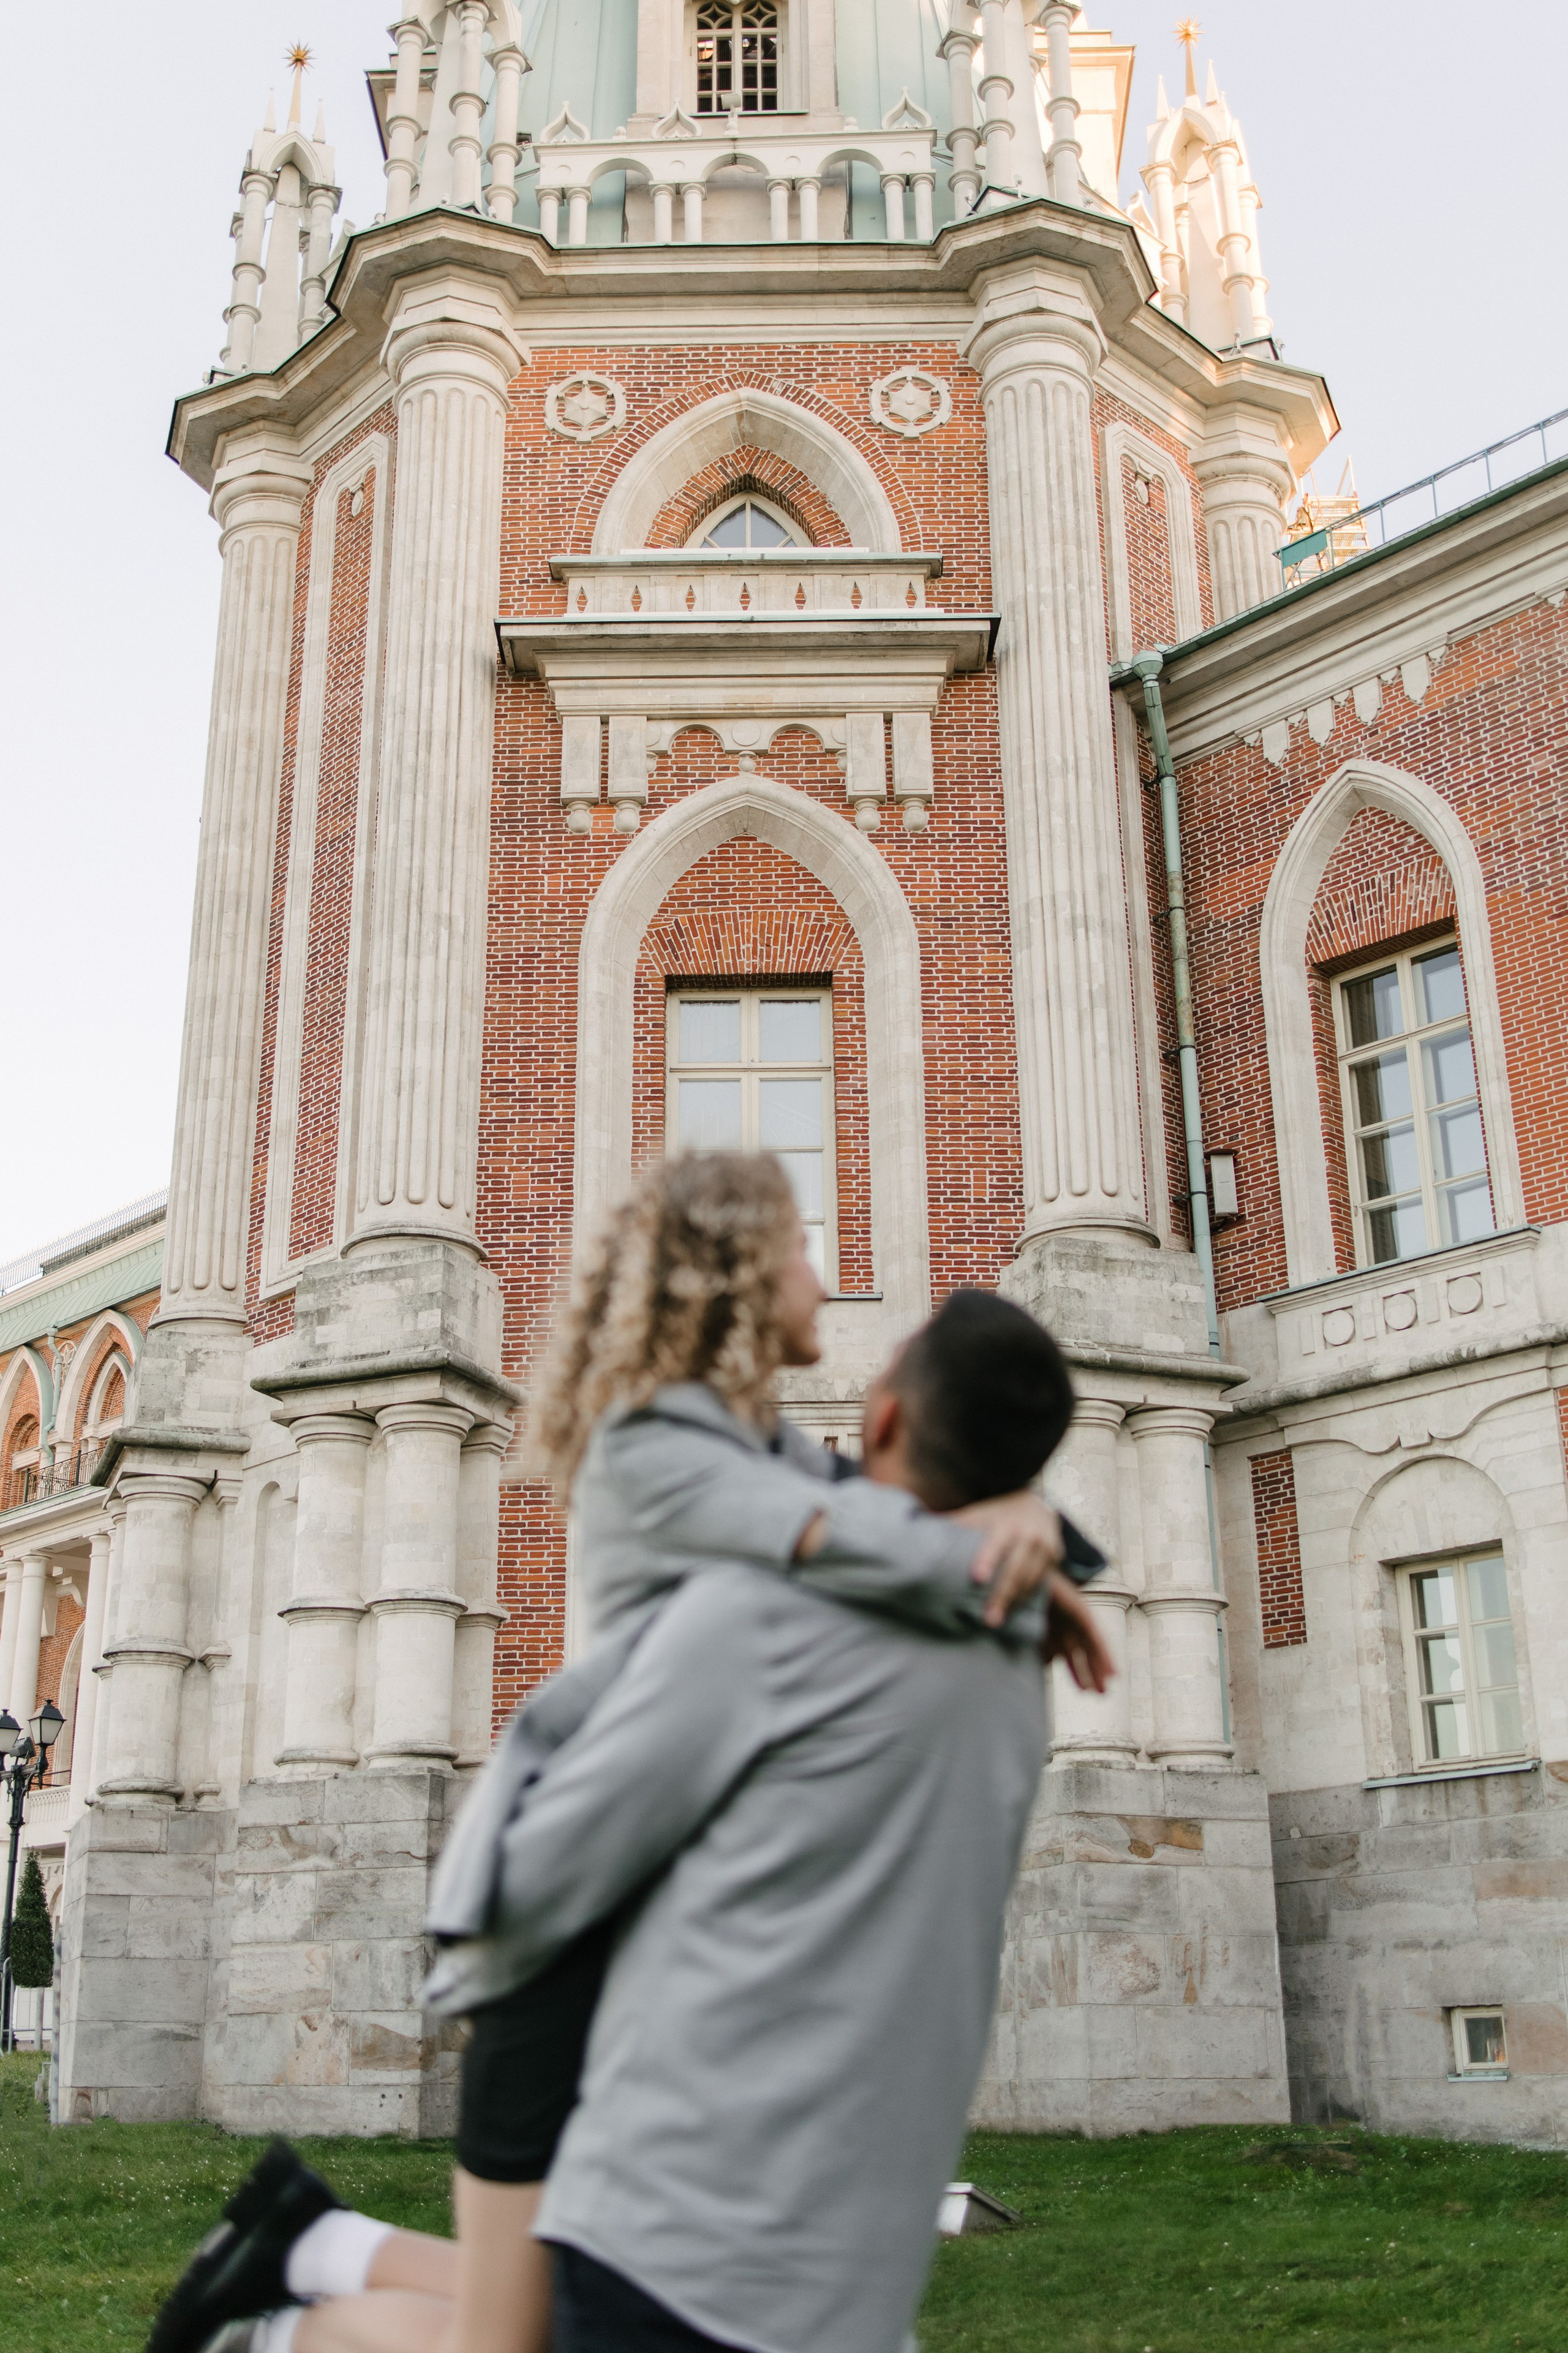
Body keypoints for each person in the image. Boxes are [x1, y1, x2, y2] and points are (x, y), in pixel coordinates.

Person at [153, 1154, 1107, 2353]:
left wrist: (1030, 1526)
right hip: (565, 1909)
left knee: (558, 2315)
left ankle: (304, 2250)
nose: (827, 1273)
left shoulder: (765, 1449)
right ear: (737, 1279)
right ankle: (271, 2331)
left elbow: (904, 1495)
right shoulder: (657, 1446)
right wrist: (1005, 1560)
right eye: (804, 1248)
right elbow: (845, 1527)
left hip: (643, 1886)